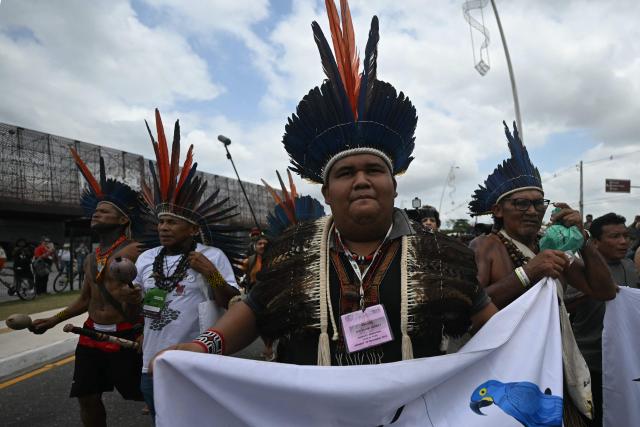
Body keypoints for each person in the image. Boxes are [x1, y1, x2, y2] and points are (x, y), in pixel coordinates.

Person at [152, 0, 496, 368]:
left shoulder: (440, 253)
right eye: (346, 173)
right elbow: (253, 311)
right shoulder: (293, 250)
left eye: (373, 171)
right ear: (327, 192)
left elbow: (489, 321)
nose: (361, 180)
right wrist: (203, 347)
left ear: (393, 185)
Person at [468, 122, 617, 426]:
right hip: (507, 375)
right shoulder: (485, 247)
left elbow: (604, 291)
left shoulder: (551, 248)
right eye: (521, 203)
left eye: (539, 203)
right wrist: (527, 273)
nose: (532, 211)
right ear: (498, 210)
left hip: (556, 370)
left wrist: (583, 237)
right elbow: (468, 311)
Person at [135, 110, 241, 418]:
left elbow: (232, 303)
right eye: (161, 222)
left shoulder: (212, 256)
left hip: (200, 358)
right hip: (152, 362)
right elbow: (138, 307)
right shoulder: (146, 258)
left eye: (172, 222)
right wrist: (129, 298)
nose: (163, 227)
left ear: (193, 229)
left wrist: (210, 274)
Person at [29, 149, 147, 427]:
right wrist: (52, 320)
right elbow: (85, 299)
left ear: (123, 220)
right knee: (87, 397)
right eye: (95, 211)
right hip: (91, 334)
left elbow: (157, 294)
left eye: (104, 211)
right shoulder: (91, 258)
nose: (96, 214)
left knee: (146, 395)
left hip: (128, 336)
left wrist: (146, 327)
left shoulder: (140, 251)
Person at [570, 213, 639, 427]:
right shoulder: (580, 269)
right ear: (595, 242)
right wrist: (595, 291)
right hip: (591, 364)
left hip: (624, 362)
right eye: (615, 236)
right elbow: (565, 305)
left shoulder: (629, 266)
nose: (623, 241)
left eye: (626, 236)